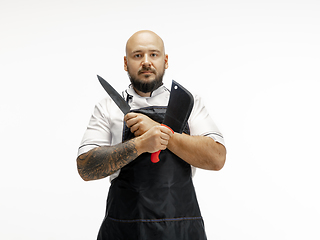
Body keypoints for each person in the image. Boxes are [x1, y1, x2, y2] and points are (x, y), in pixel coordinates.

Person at [77, 30, 226, 240]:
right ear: (125, 63)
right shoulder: (107, 107)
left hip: (182, 230)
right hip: (125, 230)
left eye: (153, 55)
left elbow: (217, 158)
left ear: (165, 60)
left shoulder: (188, 103)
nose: (146, 62)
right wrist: (140, 144)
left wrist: (163, 135)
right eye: (137, 55)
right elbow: (85, 168)